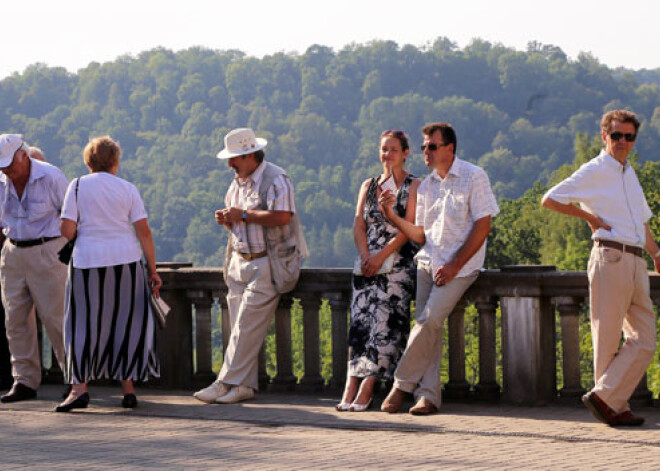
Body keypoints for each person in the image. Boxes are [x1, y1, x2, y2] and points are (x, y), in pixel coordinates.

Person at [542, 110, 659, 426]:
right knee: (607, 338)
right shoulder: (594, 169)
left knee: (645, 338)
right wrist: (590, 218)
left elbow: (640, 222)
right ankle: (614, 406)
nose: (623, 142)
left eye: (629, 137)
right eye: (617, 135)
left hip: (635, 259)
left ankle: (606, 397)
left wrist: (656, 253)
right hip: (610, 257)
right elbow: (549, 199)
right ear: (605, 136)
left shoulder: (628, 172)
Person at [378, 122, 499, 415]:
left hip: (461, 266)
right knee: (427, 327)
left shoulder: (474, 176)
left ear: (450, 148)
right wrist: (390, 215)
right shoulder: (428, 185)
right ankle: (428, 397)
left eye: (432, 146)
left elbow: (484, 225)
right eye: (423, 147)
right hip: (427, 263)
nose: (425, 152)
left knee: (428, 322)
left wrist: (455, 265)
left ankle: (401, 384)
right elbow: (420, 235)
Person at [194, 127, 302, 405]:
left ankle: (224, 382)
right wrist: (228, 220)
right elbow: (243, 222)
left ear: (251, 155)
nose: (230, 164)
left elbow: (282, 217)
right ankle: (243, 387)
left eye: (235, 159)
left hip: (268, 263)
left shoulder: (277, 179)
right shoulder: (237, 183)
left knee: (244, 327)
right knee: (241, 329)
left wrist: (241, 214)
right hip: (239, 261)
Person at [55, 136, 161, 412]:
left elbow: (66, 230)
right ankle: (128, 389)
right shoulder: (127, 188)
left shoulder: (76, 186)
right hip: (125, 261)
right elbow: (144, 231)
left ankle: (79, 389)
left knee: (81, 325)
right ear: (115, 161)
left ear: (88, 161)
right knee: (125, 323)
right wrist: (153, 269)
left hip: (86, 262)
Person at [336, 130, 419, 412]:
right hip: (367, 262)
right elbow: (359, 223)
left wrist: (382, 255)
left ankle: (369, 385)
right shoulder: (369, 185)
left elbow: (409, 229)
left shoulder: (413, 185)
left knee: (385, 325)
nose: (388, 154)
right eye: (384, 149)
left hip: (397, 264)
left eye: (393, 149)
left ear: (405, 152)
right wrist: (365, 256)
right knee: (360, 324)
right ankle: (351, 383)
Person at [0, 134, 69, 403]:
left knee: (56, 318)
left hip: (48, 248)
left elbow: (71, 216)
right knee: (15, 319)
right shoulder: (1, 180)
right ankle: (24, 380)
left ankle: (73, 380)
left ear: (24, 155)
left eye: (10, 164)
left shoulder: (51, 177)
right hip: (13, 250)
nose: (7, 170)